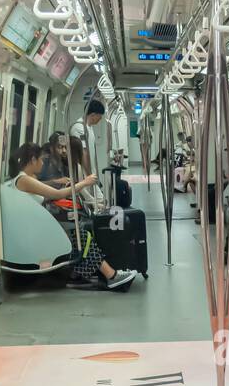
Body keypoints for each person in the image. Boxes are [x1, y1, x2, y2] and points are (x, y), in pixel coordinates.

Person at [11, 143, 136, 291]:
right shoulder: (23, 180)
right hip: (34, 232)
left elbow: (45, 192)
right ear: (32, 160)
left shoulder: (26, 178)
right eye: (40, 159)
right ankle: (111, 276)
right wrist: (84, 182)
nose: (43, 162)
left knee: (81, 233)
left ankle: (91, 274)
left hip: (38, 226)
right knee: (80, 235)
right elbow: (56, 194)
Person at [70, 99, 106, 179]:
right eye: (99, 117)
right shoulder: (79, 128)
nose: (100, 119)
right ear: (93, 115)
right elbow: (83, 153)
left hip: (90, 174)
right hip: (83, 175)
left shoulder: (89, 127)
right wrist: (90, 175)